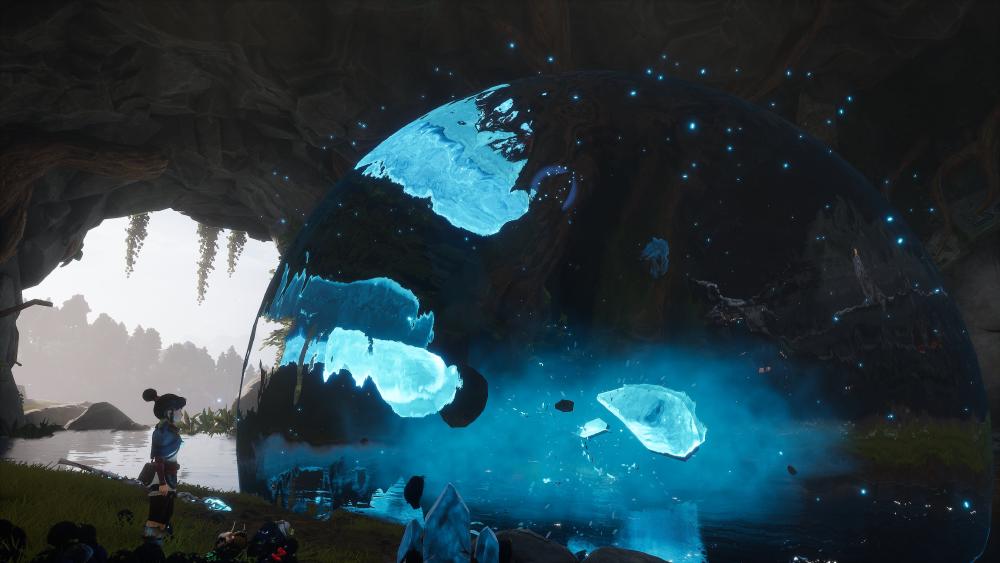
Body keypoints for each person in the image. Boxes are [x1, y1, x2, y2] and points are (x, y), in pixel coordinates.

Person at [141, 388, 186, 545]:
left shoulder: (170, 431)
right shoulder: (163, 433)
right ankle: (151, 545)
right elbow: (159, 460)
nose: (181, 414)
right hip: (161, 479)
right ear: (169, 412)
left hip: (169, 477)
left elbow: (168, 457)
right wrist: (162, 483)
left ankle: (159, 541)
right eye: (179, 410)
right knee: (157, 514)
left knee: (166, 512)